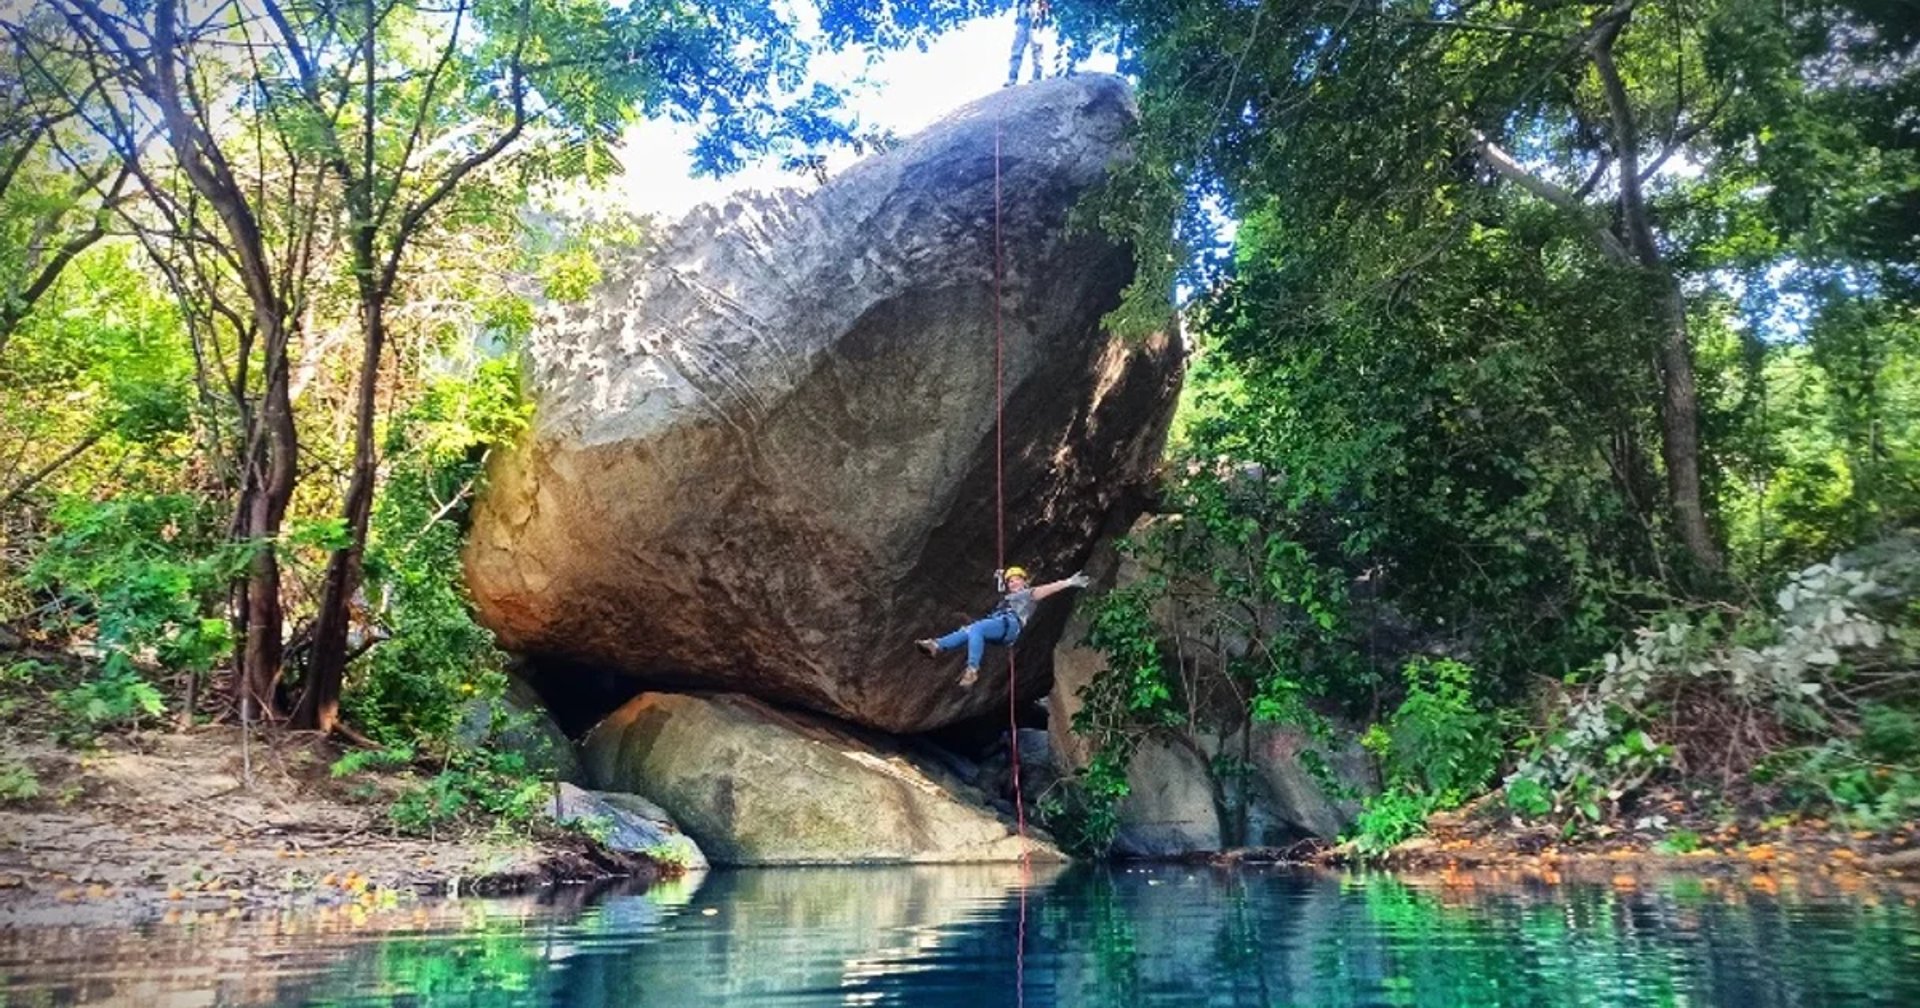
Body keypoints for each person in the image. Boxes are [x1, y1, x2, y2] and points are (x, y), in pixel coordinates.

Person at [916, 565, 1090, 687]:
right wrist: (1000, 578)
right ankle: (937, 645)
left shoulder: (1028, 595)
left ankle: (972, 668)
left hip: (1009, 626)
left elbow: (1046, 589)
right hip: (1000, 626)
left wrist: (1068, 582)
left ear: (1024, 581)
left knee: (976, 629)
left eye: (1016, 580)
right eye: (1010, 582)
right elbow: (1003, 591)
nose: (1013, 583)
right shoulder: (1008, 597)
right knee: (968, 631)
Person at [1006, 0, 1051, 87]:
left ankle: (1037, 76)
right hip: (1024, 12)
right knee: (1017, 47)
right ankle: (1012, 77)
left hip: (1036, 9)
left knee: (1036, 46)